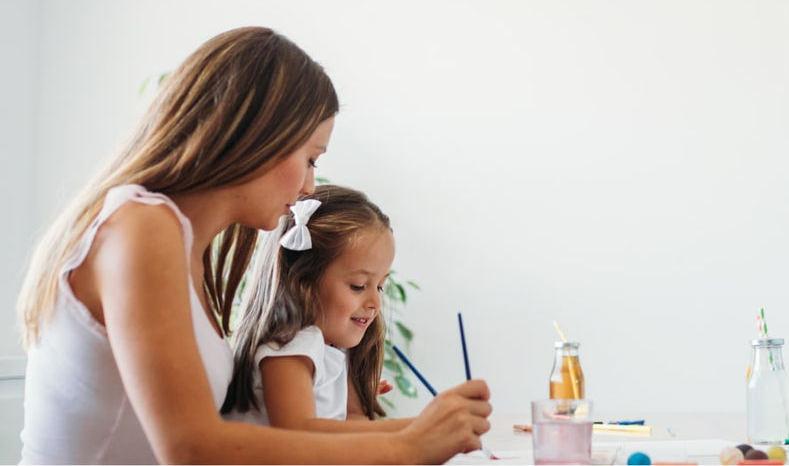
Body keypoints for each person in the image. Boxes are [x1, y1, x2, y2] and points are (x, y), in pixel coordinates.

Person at [17, 27, 490, 464]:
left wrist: (427, 430)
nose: (310, 186)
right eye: (310, 159)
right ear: (259, 138)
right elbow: (193, 448)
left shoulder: (179, 244)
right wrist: (406, 447)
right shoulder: (142, 227)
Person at [223, 184, 411, 430]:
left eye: (380, 287)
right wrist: (416, 433)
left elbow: (353, 418)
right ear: (303, 282)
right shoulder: (290, 348)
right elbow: (301, 437)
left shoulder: (334, 345)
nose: (375, 303)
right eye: (358, 286)